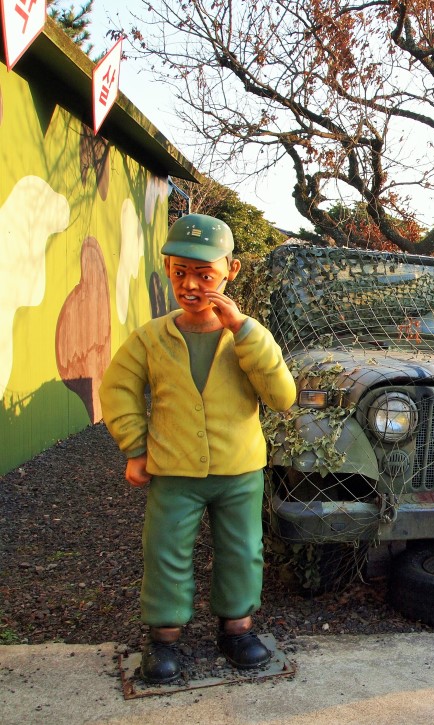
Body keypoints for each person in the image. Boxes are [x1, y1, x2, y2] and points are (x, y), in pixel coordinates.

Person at [100, 214, 296, 684]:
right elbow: (118, 388)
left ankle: (238, 629)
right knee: (166, 549)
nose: (190, 285)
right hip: (174, 471)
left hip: (239, 469)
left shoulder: (248, 335)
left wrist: (243, 331)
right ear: (168, 270)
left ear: (231, 271)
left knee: (242, 549)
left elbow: (282, 396)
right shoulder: (151, 337)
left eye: (204, 275)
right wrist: (135, 445)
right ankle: (164, 638)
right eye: (179, 272)